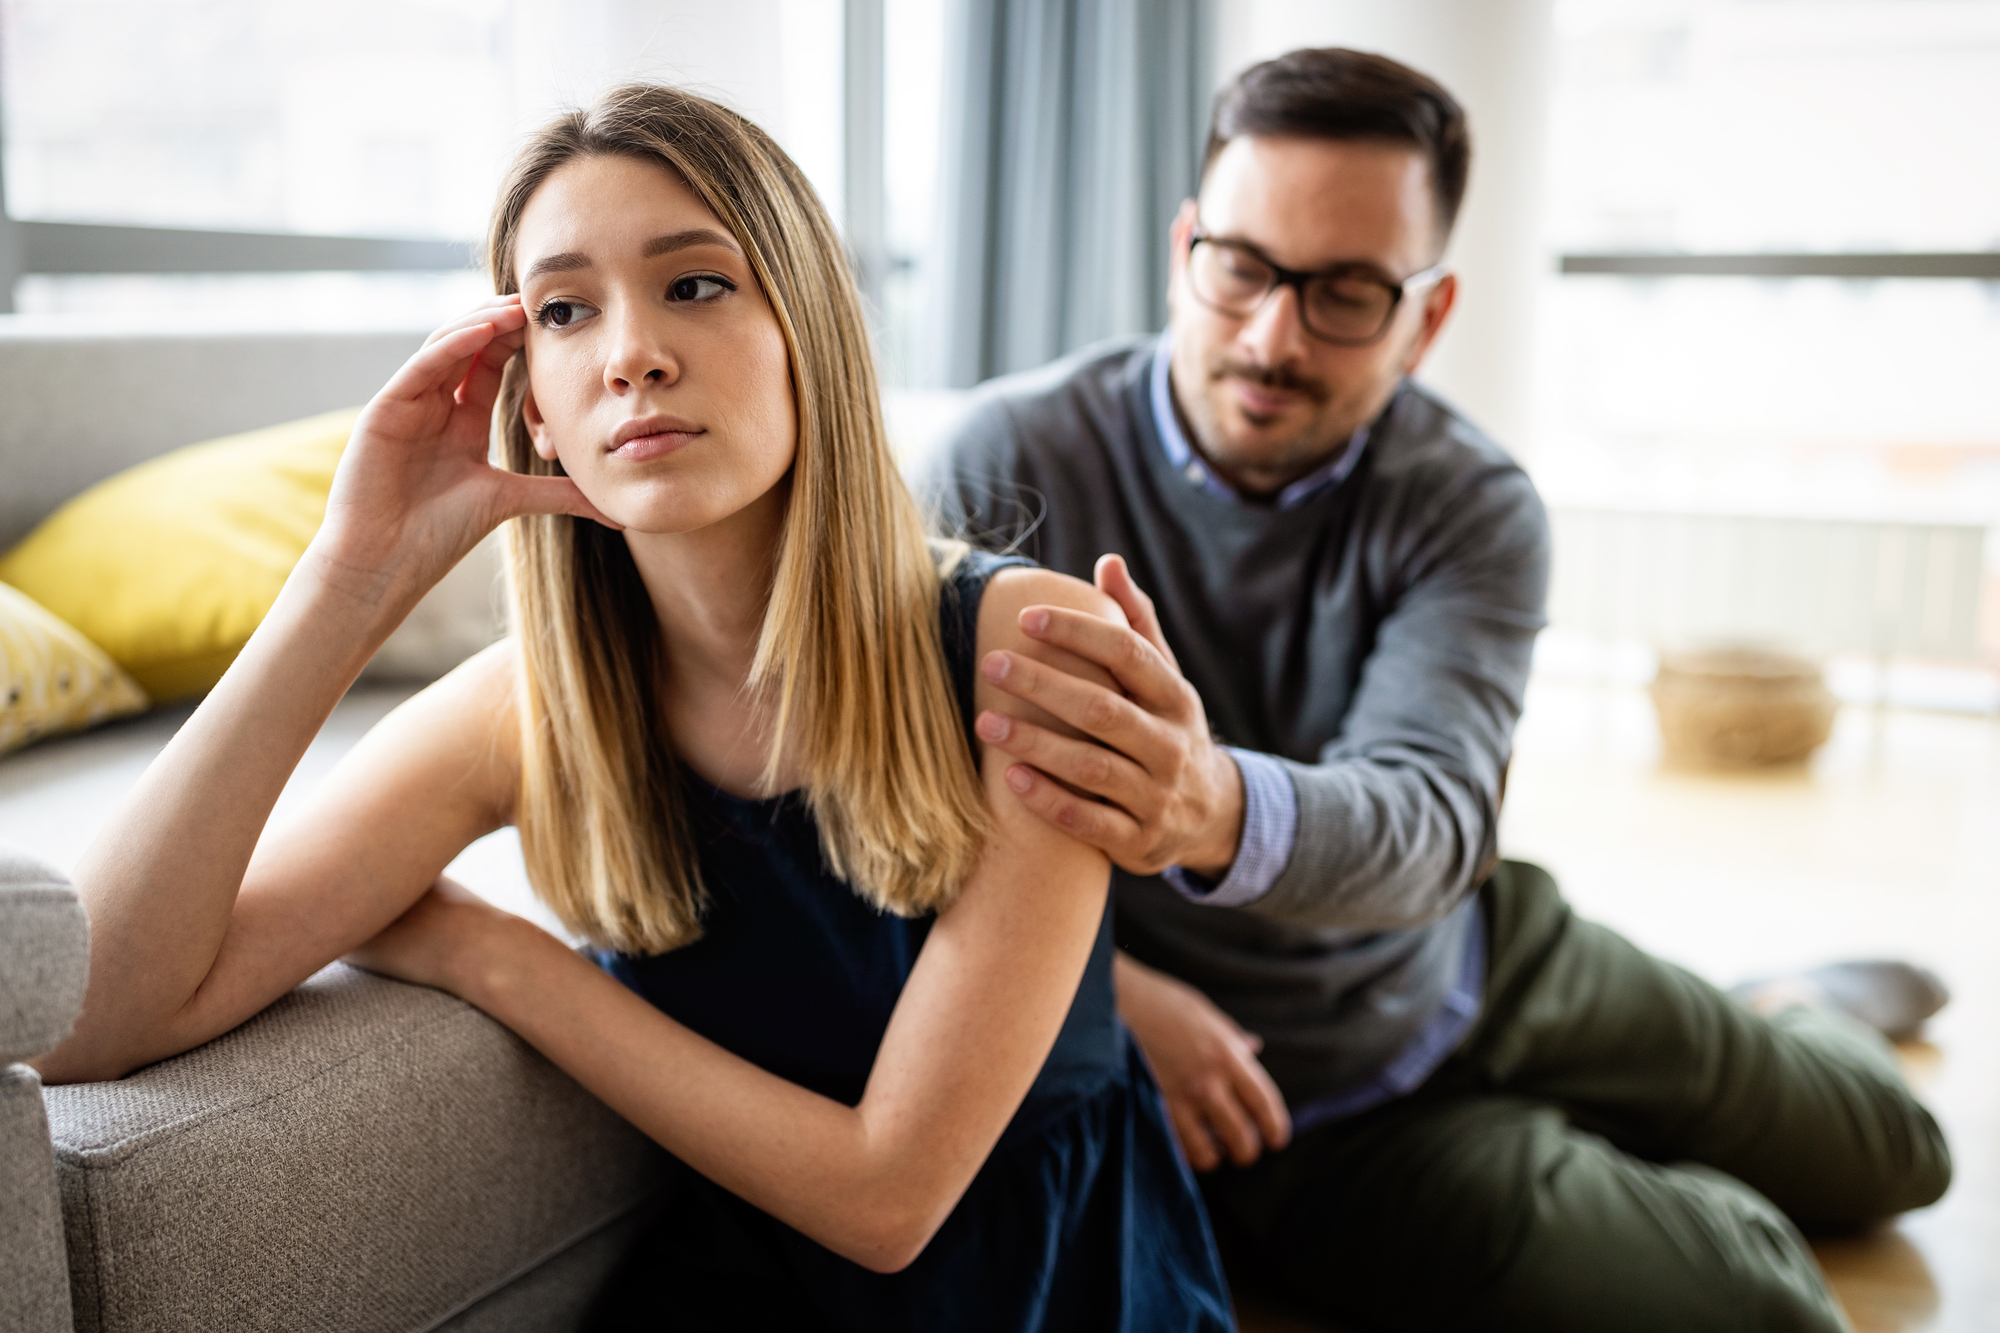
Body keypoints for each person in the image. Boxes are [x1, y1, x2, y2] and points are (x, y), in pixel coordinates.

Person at [34, 85, 1233, 1333]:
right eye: (563, 310)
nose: (630, 353)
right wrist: (348, 578)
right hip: (748, 1280)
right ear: (534, 405)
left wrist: (493, 957)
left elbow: (890, 1198)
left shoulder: (1025, 645)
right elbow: (79, 1019)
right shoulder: (524, 711)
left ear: (803, 329)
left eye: (695, 284)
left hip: (1050, 1279)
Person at [928, 47, 1950, 1333]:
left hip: (1477, 949)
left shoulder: (1469, 504)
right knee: (1764, 1308)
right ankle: (1565, 1138)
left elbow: (1430, 813)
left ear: (1428, 314)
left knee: (1897, 1151)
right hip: (1308, 1112)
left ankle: (1795, 1008)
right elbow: (889, 819)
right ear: (1185, 244)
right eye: (1240, 267)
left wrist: (1204, 806)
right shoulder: (1003, 460)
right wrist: (1109, 1005)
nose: (1270, 335)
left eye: (1345, 293)